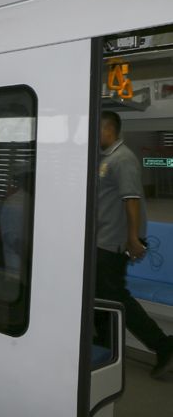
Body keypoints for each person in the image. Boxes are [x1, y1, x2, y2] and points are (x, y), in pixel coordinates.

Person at [96, 110, 173, 379]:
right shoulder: (105, 158)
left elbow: (132, 200)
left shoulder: (123, 158)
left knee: (115, 296)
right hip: (101, 241)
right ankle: (104, 349)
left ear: (108, 129)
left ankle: (164, 346)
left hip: (113, 243)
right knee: (100, 296)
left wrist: (132, 238)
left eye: (97, 129)